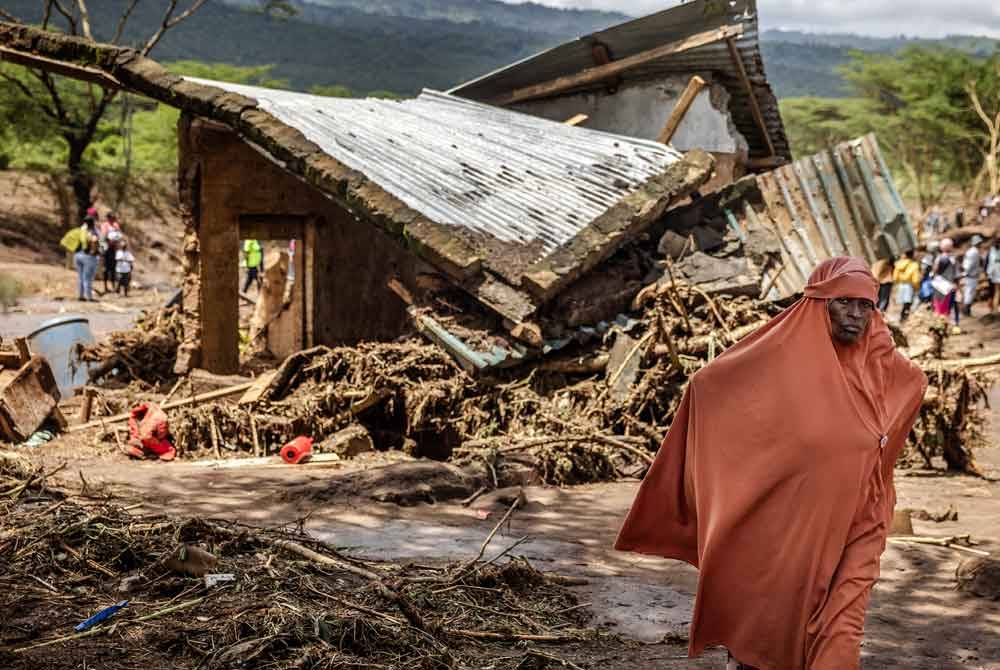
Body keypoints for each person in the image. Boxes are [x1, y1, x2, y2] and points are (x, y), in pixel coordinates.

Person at [615, 257, 927, 670]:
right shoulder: (778, 360)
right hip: (786, 525)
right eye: (844, 302)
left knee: (842, 628)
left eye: (865, 305)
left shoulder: (886, 366)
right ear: (819, 304)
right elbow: (712, 384)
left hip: (859, 525)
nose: (856, 315)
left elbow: (904, 402)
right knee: (772, 628)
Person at [932, 238, 960, 325]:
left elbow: (934, 271)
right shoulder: (953, 259)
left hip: (938, 286)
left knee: (938, 308)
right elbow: (956, 275)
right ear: (951, 247)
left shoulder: (938, 258)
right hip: (948, 287)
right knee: (946, 309)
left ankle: (937, 326)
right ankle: (943, 327)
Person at [74, 218, 100, 302]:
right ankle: (89, 297)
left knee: (81, 277)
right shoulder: (92, 232)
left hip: (77, 255)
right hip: (87, 256)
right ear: (92, 223)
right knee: (87, 278)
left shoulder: (81, 230)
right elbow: (95, 243)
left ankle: (81, 296)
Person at [893, 250, 921, 322]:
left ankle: (899, 318)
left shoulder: (898, 264)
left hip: (900, 284)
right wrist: (916, 287)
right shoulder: (914, 265)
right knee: (908, 303)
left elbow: (895, 276)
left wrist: (897, 282)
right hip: (909, 285)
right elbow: (915, 279)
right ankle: (904, 318)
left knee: (901, 303)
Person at [961, 235, 984, 317]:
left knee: (969, 293)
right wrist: (965, 273)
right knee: (969, 293)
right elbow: (968, 265)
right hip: (971, 276)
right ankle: (966, 310)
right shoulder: (973, 252)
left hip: (971, 275)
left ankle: (966, 310)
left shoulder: (973, 251)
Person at [100, 212, 123, 293]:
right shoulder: (104, 225)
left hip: (114, 248)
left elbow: (119, 234)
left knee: (113, 268)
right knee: (106, 268)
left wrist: (116, 240)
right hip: (106, 248)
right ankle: (105, 286)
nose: (113, 220)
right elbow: (103, 236)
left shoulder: (116, 225)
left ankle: (113, 286)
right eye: (111, 218)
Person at [987, 238, 1000, 313]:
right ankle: (994, 309)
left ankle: (993, 309)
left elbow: (987, 262)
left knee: (994, 291)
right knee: (996, 292)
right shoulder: (992, 251)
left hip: (992, 274)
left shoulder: (991, 251)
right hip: (995, 274)